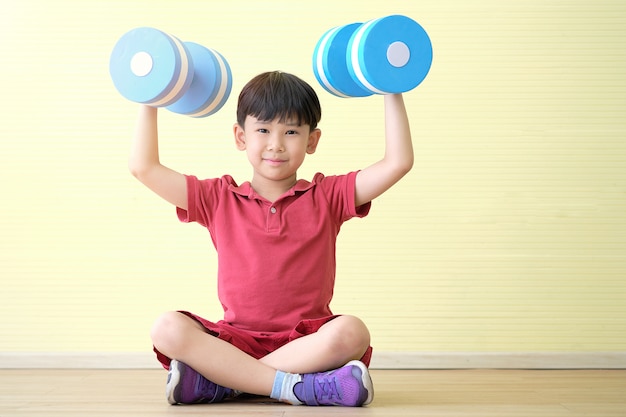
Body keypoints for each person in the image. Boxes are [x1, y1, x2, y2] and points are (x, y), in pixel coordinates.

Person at [129, 71, 413, 407]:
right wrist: (150, 99)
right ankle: (298, 388)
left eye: (291, 131)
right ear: (240, 136)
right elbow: (143, 166)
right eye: (263, 130)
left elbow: (398, 162)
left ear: (312, 140)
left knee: (352, 332)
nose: (276, 144)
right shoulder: (217, 197)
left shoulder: (328, 195)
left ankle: (227, 382)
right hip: (234, 341)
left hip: (306, 342)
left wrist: (392, 90)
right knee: (166, 328)